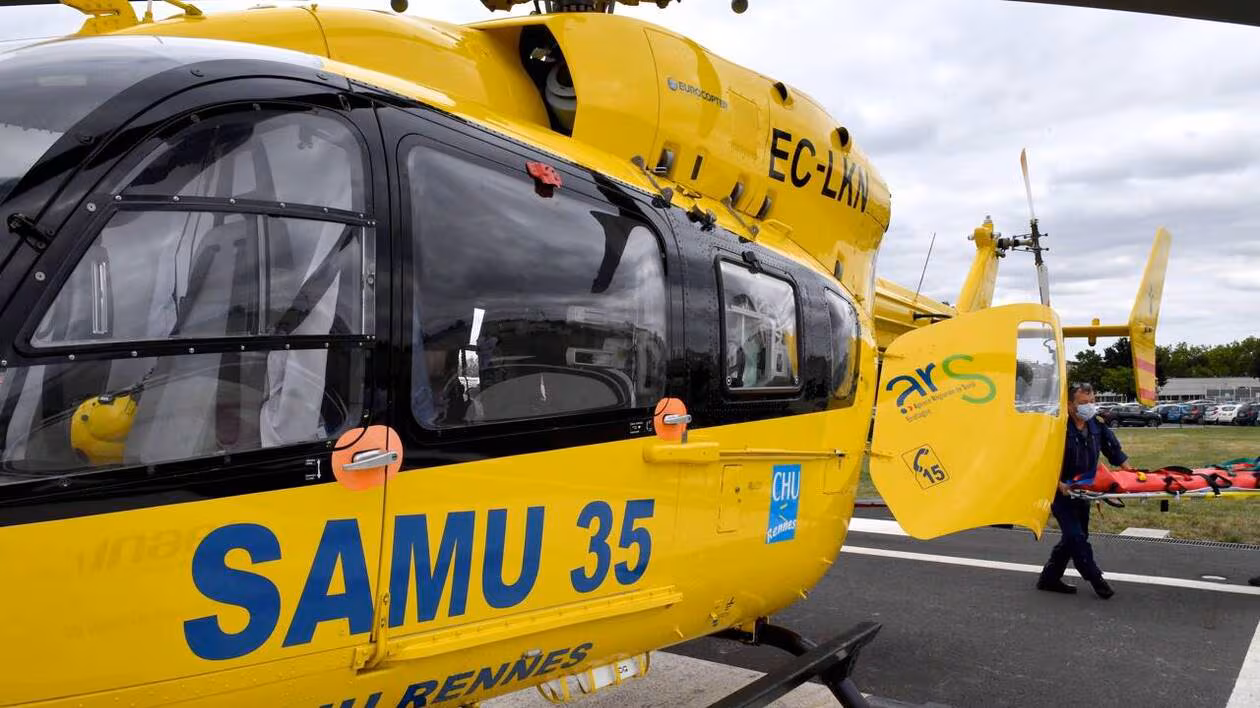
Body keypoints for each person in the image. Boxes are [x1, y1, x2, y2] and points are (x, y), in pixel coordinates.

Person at [1037, 382, 1135, 599]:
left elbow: (1115, 452)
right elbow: (1041, 461)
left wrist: (1133, 476)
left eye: (1092, 401)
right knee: (1075, 536)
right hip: (1061, 491)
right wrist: (1057, 484)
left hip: (1085, 491)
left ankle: (1049, 578)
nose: (1089, 406)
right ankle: (1095, 578)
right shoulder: (1056, 427)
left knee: (1077, 536)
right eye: (1083, 403)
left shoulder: (1096, 425)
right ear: (1070, 404)